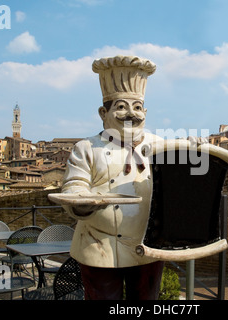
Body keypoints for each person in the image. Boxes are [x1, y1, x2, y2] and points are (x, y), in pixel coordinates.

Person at [61, 55, 165, 300]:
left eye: (138, 108)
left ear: (146, 112)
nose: (131, 114)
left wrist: (194, 151)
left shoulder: (161, 146)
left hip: (148, 245)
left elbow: (180, 183)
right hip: (99, 245)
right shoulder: (86, 147)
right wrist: (80, 200)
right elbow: (74, 184)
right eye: (121, 107)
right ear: (102, 112)